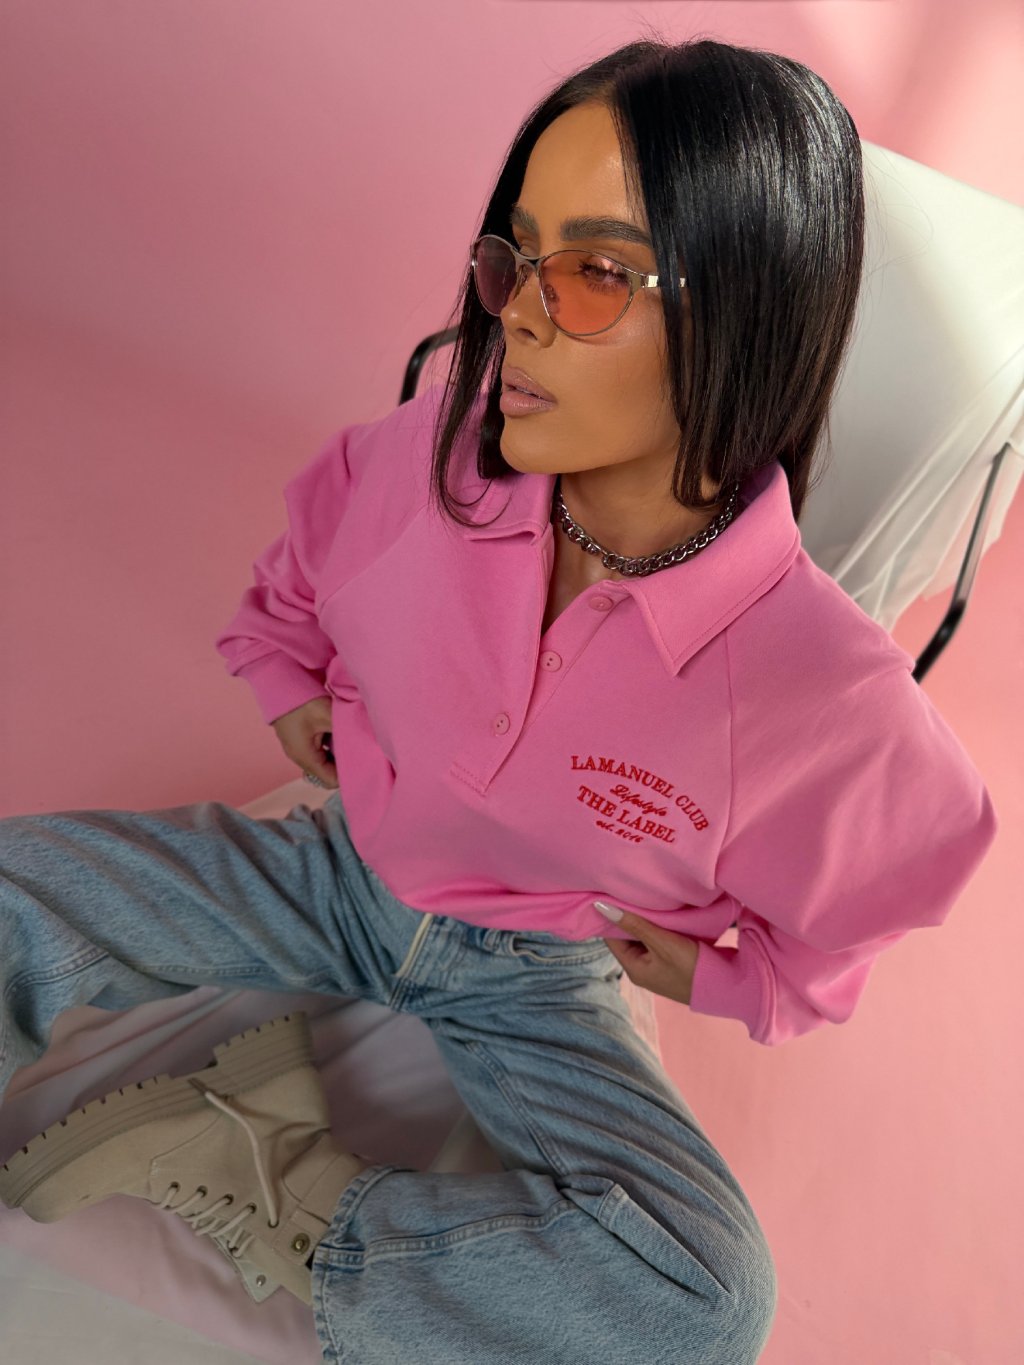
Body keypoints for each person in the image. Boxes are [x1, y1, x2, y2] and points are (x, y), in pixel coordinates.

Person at [0, 33, 998, 1365]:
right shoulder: (444, 459)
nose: (519, 313)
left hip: (535, 977)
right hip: (337, 867)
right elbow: (308, 557)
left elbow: (898, 863)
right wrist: (286, 671)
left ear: (743, 312)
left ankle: (283, 1178)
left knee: (701, 1300)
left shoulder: (813, 678)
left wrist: (746, 977)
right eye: (515, 256)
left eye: (596, 272)